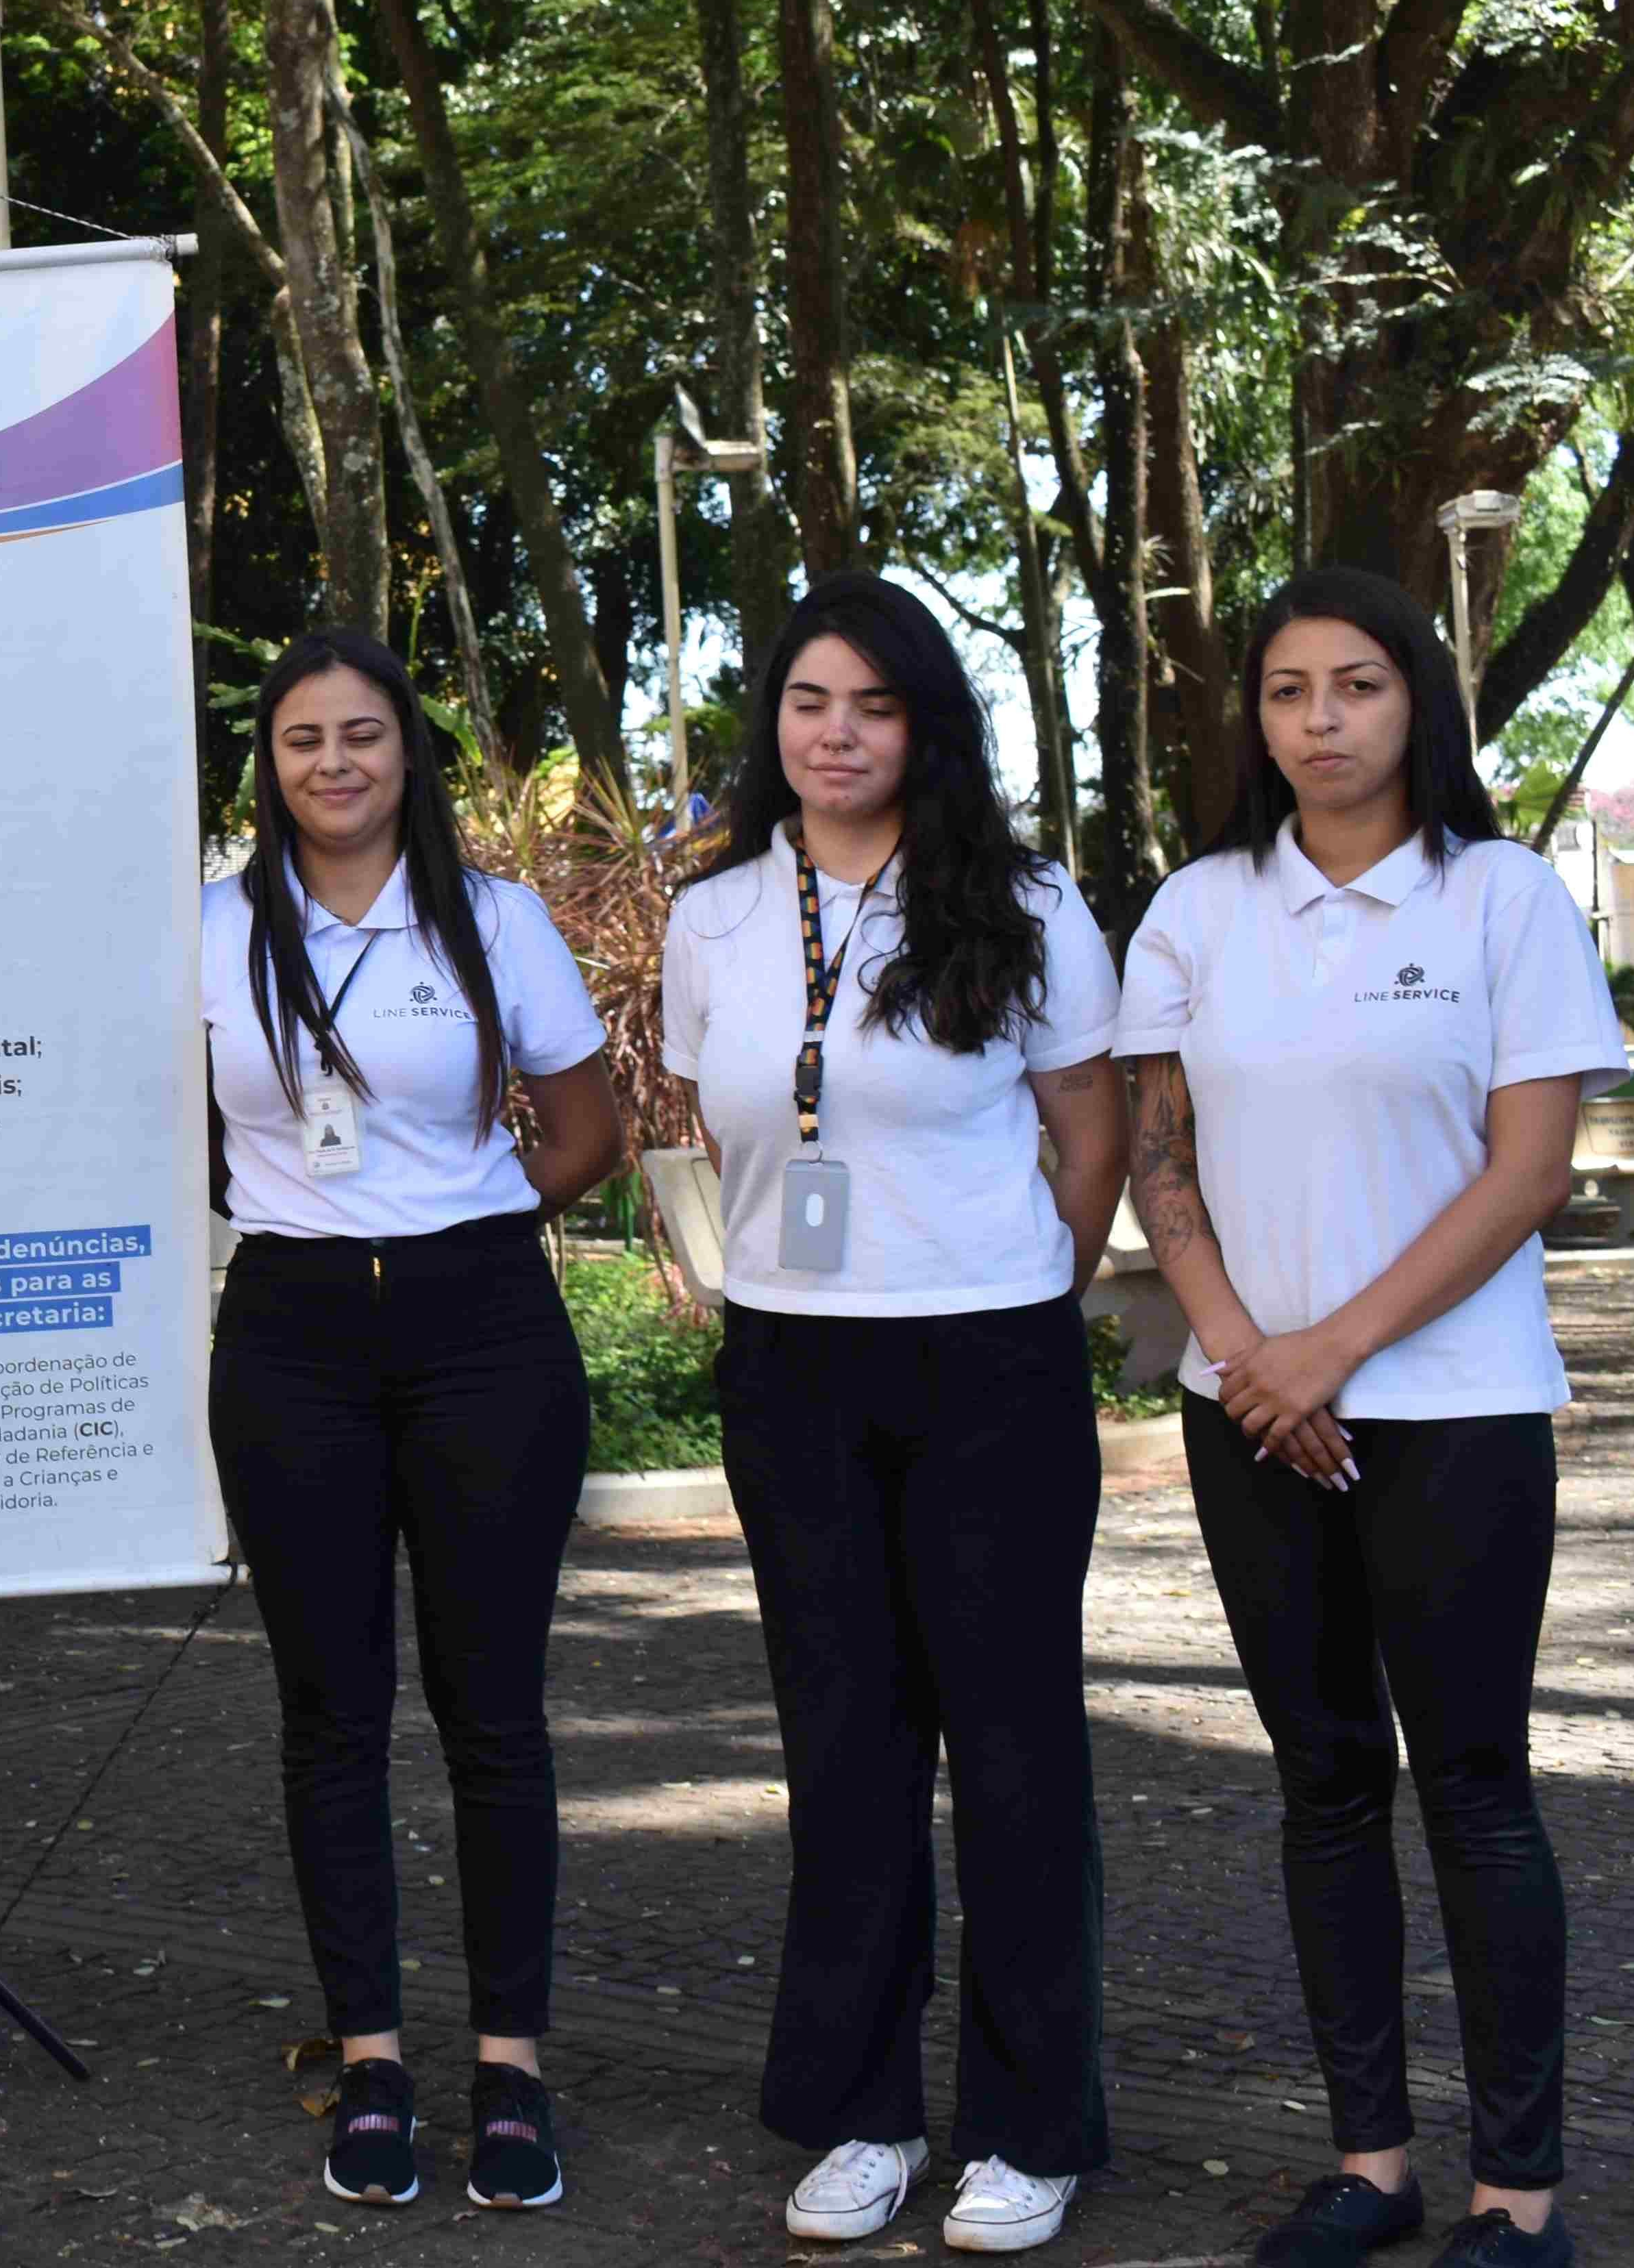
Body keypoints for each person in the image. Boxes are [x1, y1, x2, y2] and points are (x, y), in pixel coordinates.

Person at [1116, 566, 1618, 2268]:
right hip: (1250, 1416)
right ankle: (1373, 2164)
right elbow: (1160, 1168)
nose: (1319, 719)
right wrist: (1255, 1359)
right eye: (1284, 691)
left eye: (1356, 685)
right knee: (1325, 1779)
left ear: (1418, 702)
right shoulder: (1195, 909)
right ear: (1251, 719)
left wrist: (1328, 1349)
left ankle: (1521, 2195)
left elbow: (1529, 1172)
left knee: (1474, 1785)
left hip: (1456, 1412)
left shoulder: (1504, 900)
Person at [658, 574, 1128, 2256]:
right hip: (793, 1365)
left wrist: (1011, 1285)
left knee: (1012, 1748)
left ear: (924, 722)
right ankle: (863, 2110)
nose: (834, 732)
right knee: (845, 1750)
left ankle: (1031, 2125)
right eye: (805, 702)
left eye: (869, 704)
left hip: (990, 1362)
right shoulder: (712, 915)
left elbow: (1093, 1137)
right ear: (770, 721)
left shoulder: (1021, 904)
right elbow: (740, 1135)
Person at [200, 632, 623, 2213]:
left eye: (363, 733)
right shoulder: (213, 929)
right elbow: (183, 1130)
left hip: (482, 1329)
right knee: (333, 1715)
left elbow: (589, 1127)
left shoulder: (496, 919)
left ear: (407, 754)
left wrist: (464, 1221)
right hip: (293, 1334)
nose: (334, 762)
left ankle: (511, 2068)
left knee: (494, 1713)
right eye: (304, 738)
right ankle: (372, 2062)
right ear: (273, 766)